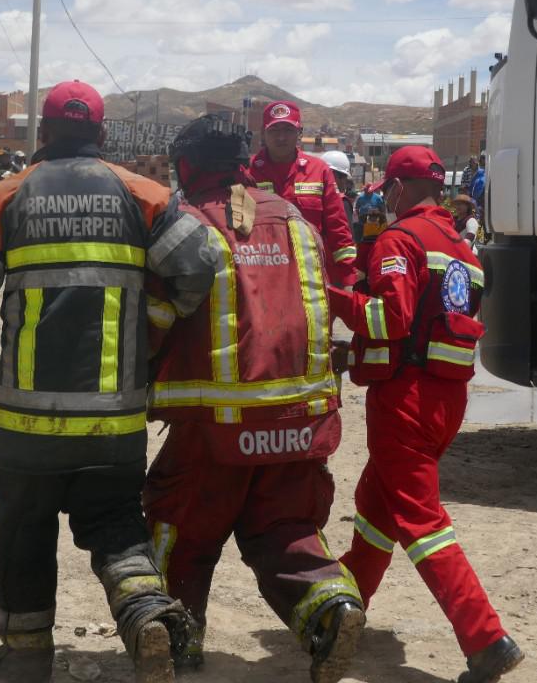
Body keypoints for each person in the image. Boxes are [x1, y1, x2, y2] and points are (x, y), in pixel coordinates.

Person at [0, 80, 216, 683]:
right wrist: (160, 320)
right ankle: (146, 612)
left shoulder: (6, 197)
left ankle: (25, 659)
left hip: (26, 427)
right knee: (118, 528)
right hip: (113, 422)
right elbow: (199, 266)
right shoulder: (143, 195)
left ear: (42, 133)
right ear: (100, 135)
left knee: (22, 536)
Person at [143, 117, 365, 682]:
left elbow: (158, 319)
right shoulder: (293, 219)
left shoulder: (188, 224)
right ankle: (331, 608)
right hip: (300, 421)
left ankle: (178, 644)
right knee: (284, 529)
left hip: (213, 425)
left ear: (189, 165)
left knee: (182, 530)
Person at [329, 146, 523, 683]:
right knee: (375, 502)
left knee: (422, 522)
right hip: (446, 399)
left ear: (395, 187)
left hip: (405, 402)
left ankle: (486, 638)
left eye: (389, 189)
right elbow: (431, 325)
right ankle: (344, 603)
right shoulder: (464, 248)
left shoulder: (400, 239)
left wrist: (331, 298)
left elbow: (389, 319)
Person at [250, 102, 357, 288]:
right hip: (261, 277)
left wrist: (348, 279)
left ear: (300, 132)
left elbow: (338, 228)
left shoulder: (319, 170)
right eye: (274, 130)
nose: (281, 137)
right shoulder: (246, 171)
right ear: (263, 133)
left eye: (288, 130)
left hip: (309, 278)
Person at [321, 149, 356, 238]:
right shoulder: (341, 202)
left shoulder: (314, 198)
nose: (345, 181)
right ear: (332, 175)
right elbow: (347, 237)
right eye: (344, 176)